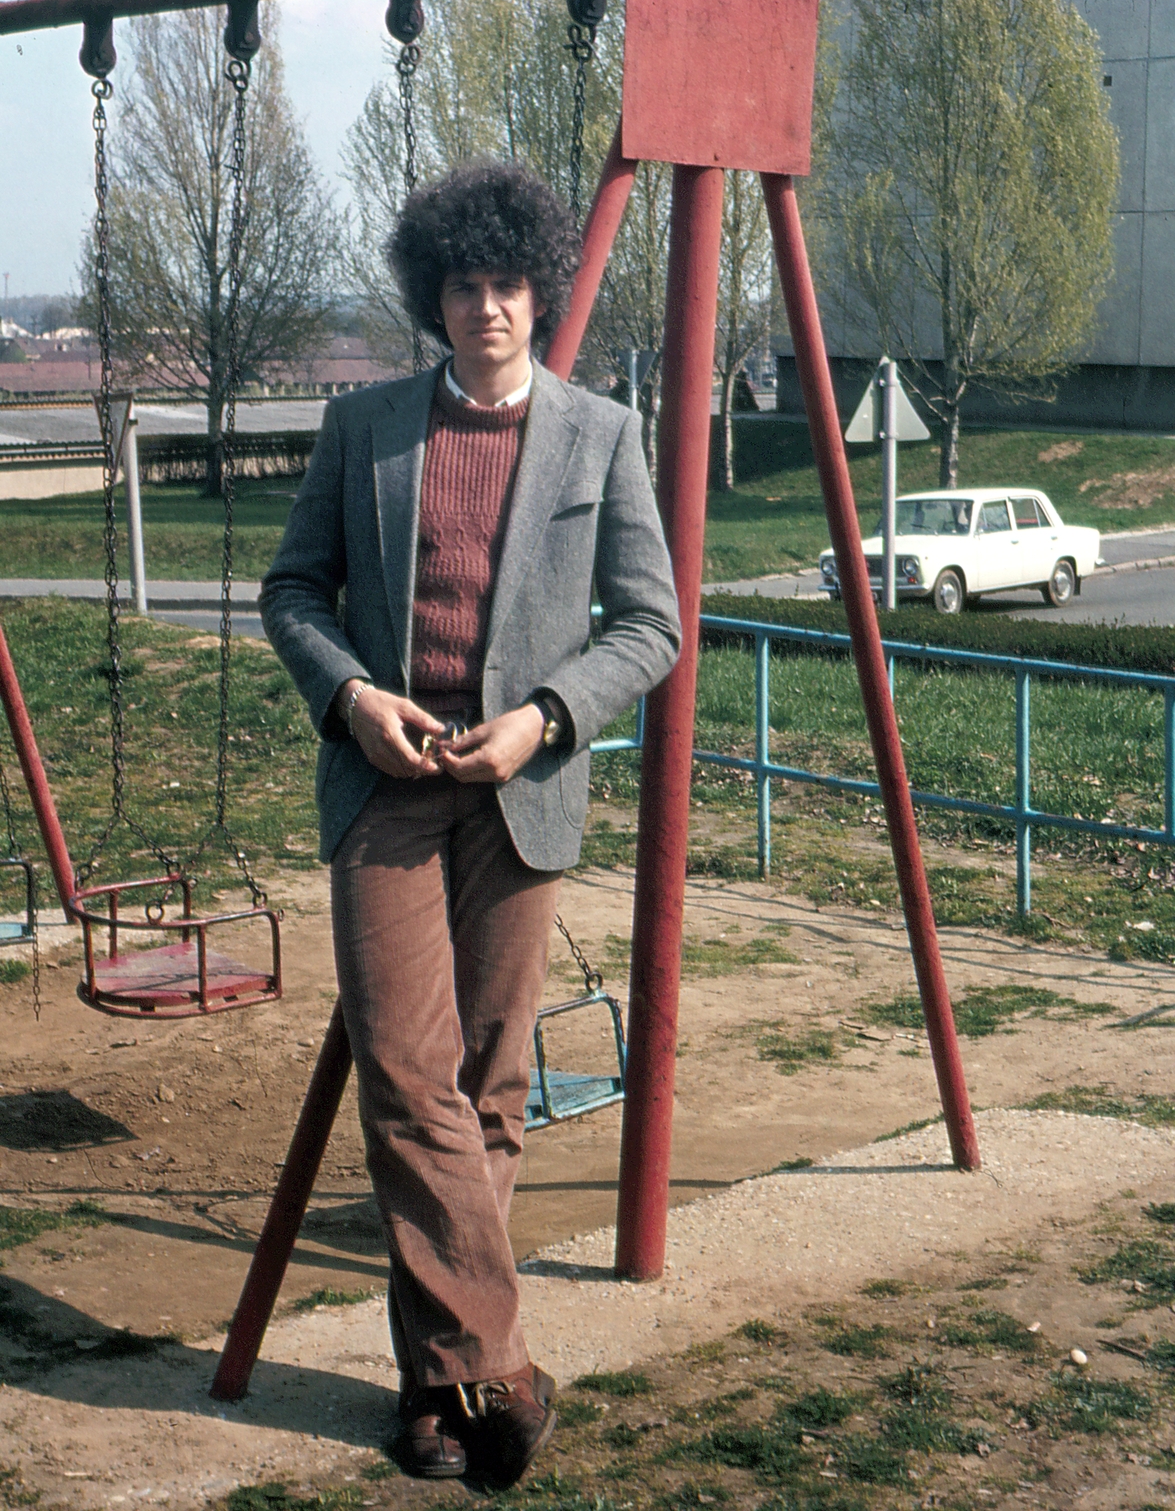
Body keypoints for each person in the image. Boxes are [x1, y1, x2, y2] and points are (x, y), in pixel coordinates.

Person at [260, 164, 680, 1487]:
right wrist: (349, 696)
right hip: (388, 786)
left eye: (506, 286)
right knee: (407, 1080)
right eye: (463, 287)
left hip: (521, 791)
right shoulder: (364, 425)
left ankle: (434, 1398)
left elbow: (654, 626)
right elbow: (292, 591)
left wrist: (548, 717)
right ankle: (502, 1367)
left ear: (536, 290)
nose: (487, 308)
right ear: (432, 297)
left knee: (492, 1089)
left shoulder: (600, 434)